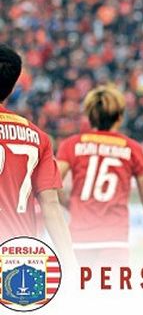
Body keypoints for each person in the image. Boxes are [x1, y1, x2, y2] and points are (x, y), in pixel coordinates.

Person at [56, 85, 143, 266]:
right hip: (114, 238)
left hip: (79, 237)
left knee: (79, 292)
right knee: (110, 293)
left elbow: (52, 183)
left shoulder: (71, 145)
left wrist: (68, 204)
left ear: (90, 115)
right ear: (120, 117)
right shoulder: (133, 149)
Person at [0, 44, 76, 267]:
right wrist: (70, 263)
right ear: (12, 89)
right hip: (19, 254)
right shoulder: (37, 137)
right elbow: (51, 206)